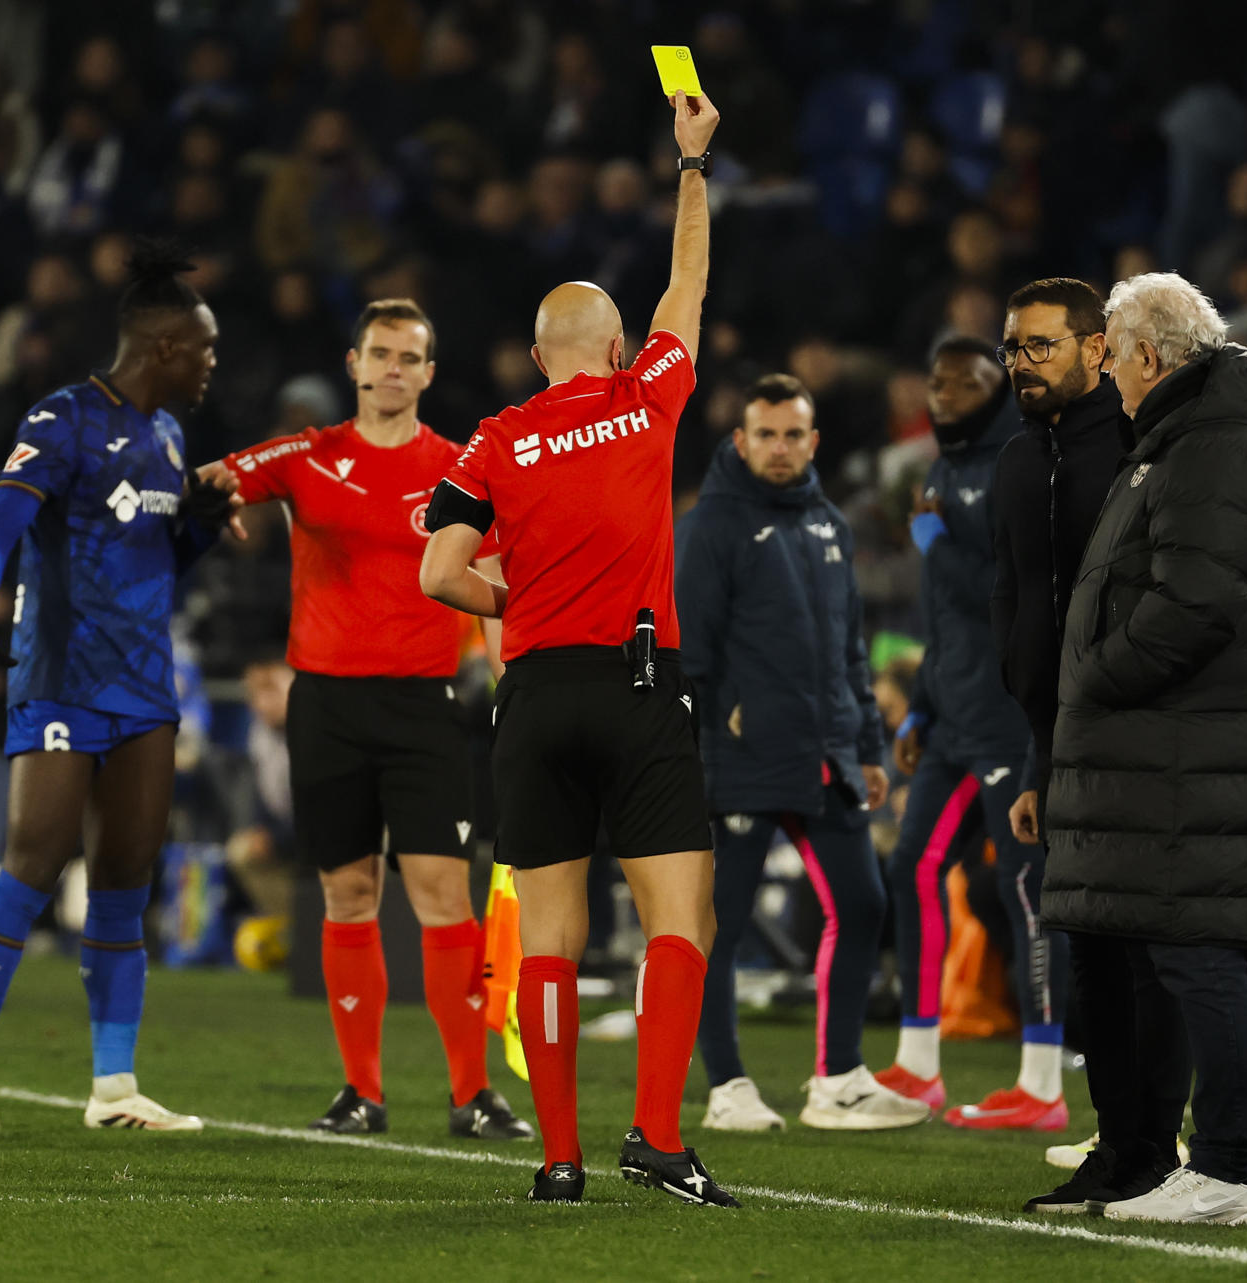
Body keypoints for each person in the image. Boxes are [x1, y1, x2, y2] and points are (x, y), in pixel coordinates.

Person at [418, 89, 730, 1206]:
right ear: (614, 346)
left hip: (535, 693)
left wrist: (516, 596)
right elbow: (688, 284)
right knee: (678, 916)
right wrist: (690, 165)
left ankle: (559, 1159)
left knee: (549, 933)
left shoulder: (493, 439)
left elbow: (438, 572)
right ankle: (658, 1136)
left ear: (537, 355)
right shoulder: (647, 396)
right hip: (638, 684)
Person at [201, 298, 530, 1141]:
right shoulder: (307, 454)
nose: (392, 368)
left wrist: (513, 687)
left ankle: (472, 1093)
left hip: (423, 705)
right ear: (353, 364)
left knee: (442, 893)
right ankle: (361, 1091)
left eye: (408, 356)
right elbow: (214, 478)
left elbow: (495, 578)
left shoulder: (460, 467)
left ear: (428, 372)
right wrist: (212, 503)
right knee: (347, 894)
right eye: (380, 353)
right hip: (327, 705)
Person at [0, 240, 241, 1131]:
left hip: (145, 685)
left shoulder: (170, 437)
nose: (212, 364)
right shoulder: (64, 417)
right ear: (164, 348)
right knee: (35, 862)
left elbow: (158, 563)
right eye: (205, 349)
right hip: (62, 678)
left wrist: (202, 527)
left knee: (125, 878)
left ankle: (113, 1086)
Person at [1031, 272, 1247, 1226]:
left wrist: (1094, 677)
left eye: (1112, 350)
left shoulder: (1214, 446)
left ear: (1148, 354)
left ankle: (1230, 1170)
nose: (1106, 368)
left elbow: (1195, 603)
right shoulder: (1183, 440)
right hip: (1163, 750)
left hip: (1192, 749)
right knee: (1149, 954)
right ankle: (1155, 1157)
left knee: (1201, 955)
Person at [676, 373, 927, 1134]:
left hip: (825, 754)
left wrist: (867, 746)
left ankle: (838, 1079)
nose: (780, 448)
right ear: (740, 440)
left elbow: (847, 650)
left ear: (813, 442)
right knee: (719, 924)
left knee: (863, 903)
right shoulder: (710, 524)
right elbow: (691, 652)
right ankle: (727, 1086)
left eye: (793, 435)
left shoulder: (828, 523)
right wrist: (718, 727)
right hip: (743, 759)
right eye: (766, 434)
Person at [875, 331, 1067, 1132]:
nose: (948, 393)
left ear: (1000, 386)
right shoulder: (942, 471)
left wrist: (934, 543)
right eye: (940, 381)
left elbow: (1007, 589)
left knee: (1026, 892)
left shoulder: (1021, 463)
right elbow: (945, 618)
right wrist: (920, 704)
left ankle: (1044, 1084)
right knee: (910, 869)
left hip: (1002, 719)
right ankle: (919, 1064)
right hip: (951, 717)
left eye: (969, 380)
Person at [976, 279, 1132, 1147]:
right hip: (1059, 743)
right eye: (1013, 348)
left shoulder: (1141, 445)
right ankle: (1120, 1137)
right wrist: (1039, 759)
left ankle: (1168, 1139)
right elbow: (1014, 594)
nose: (1021, 364)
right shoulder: (1016, 459)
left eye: (1042, 345)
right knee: (1092, 950)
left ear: (1097, 348)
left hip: (1136, 734)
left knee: (1146, 948)